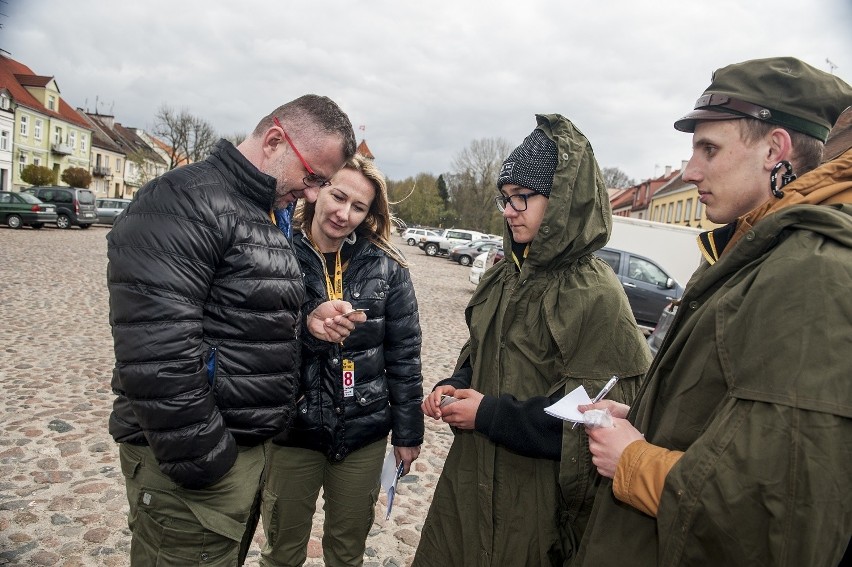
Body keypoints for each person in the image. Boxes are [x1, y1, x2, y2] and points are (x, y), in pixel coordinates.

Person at [575, 57, 852, 566]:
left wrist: (634, 460)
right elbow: (732, 423)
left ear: (776, 151)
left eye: (710, 148)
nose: (689, 171)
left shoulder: (813, 271)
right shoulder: (752, 252)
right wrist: (643, 419)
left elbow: (778, 514)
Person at [107, 94, 362, 566]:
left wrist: (305, 321)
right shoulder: (181, 201)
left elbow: (237, 319)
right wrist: (210, 464)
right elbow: (157, 352)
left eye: (322, 183)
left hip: (242, 456)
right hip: (196, 467)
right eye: (313, 178)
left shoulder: (263, 208)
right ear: (273, 141)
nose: (313, 195)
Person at [412, 114, 651, 567]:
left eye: (523, 197)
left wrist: (488, 413)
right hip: (471, 483)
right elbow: (480, 353)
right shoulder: (503, 277)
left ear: (562, 201)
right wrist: (455, 381)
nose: (508, 210)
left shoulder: (594, 292)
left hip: (538, 502)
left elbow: (593, 419)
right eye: (505, 198)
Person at [260, 153, 424, 566]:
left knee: (347, 553)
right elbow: (254, 338)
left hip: (362, 433)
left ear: (370, 214)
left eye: (359, 207)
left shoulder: (387, 268)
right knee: (281, 552)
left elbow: (404, 354)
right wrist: (307, 329)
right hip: (291, 429)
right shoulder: (275, 251)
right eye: (338, 196)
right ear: (316, 191)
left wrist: (408, 434)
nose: (343, 213)